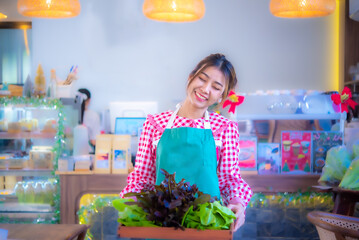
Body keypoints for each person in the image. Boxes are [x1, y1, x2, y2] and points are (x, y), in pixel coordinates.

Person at [120, 53, 252, 231]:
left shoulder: (225, 128)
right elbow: (142, 178)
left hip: (207, 225)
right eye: (202, 79)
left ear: (222, 96)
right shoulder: (154, 124)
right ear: (191, 77)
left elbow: (229, 180)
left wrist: (238, 204)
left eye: (216, 87)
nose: (205, 89)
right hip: (162, 225)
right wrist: (130, 204)